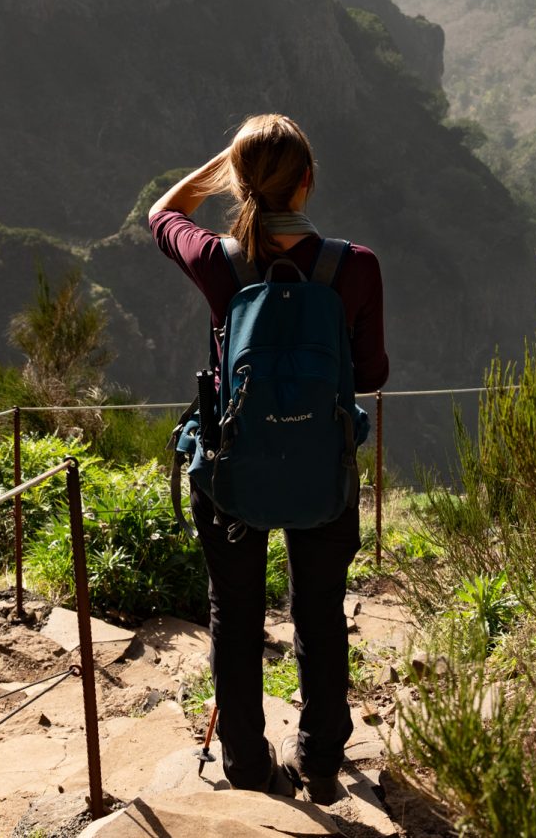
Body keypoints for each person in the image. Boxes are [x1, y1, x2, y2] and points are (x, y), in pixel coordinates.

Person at [147, 114, 387, 802]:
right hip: (323, 468)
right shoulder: (354, 266)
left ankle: (248, 765)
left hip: (233, 470)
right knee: (320, 611)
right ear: (308, 180)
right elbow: (372, 372)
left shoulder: (218, 260)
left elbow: (162, 214)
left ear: (240, 181)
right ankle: (320, 759)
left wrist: (221, 166)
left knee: (235, 612)